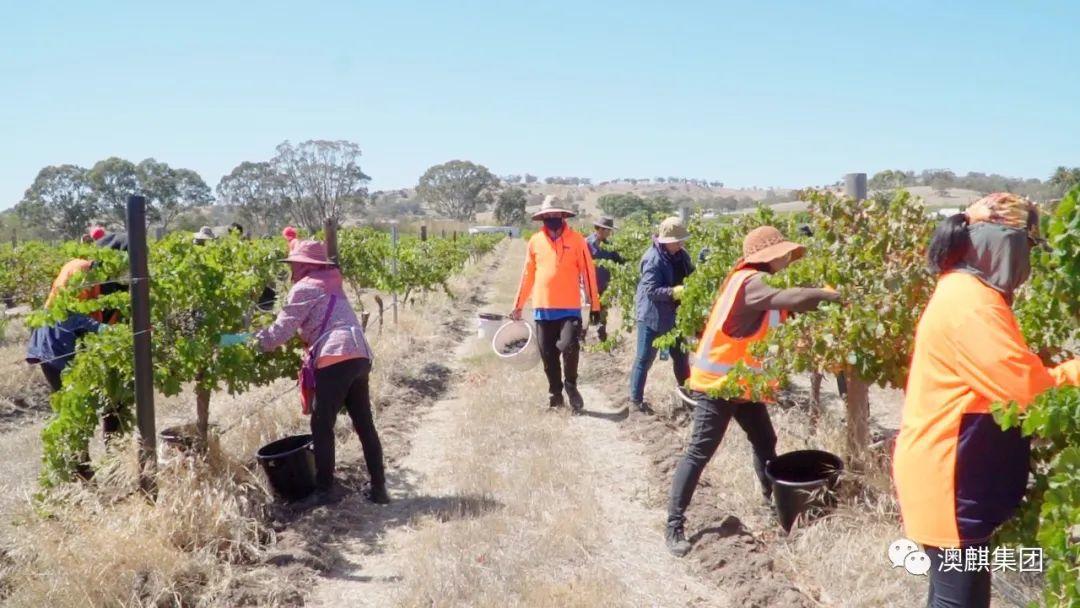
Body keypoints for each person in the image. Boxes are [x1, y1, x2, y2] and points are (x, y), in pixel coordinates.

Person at [893, 193, 1080, 608]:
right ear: (1004, 243)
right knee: (958, 599)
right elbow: (1031, 393)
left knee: (956, 597)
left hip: (952, 475)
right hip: (951, 480)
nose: (1027, 265)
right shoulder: (971, 304)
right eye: (1027, 248)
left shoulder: (966, 292)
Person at [665, 225, 840, 557]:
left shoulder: (764, 284)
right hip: (719, 388)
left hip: (743, 385)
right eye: (784, 254)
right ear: (769, 256)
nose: (789, 259)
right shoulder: (751, 283)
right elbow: (797, 299)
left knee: (765, 442)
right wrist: (835, 295)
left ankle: (772, 503)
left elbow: (788, 314)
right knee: (699, 453)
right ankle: (674, 524)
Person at [220, 240, 387, 507]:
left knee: (321, 426)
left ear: (307, 265)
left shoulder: (304, 288)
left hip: (335, 355)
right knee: (364, 423)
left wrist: (234, 341)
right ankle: (379, 490)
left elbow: (277, 335)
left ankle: (324, 492)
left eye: (295, 264)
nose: (292, 269)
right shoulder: (331, 282)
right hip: (359, 353)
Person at [510, 196, 601, 413]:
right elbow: (527, 275)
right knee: (548, 356)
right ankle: (555, 394)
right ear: (542, 218)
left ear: (562, 216)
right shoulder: (535, 241)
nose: (551, 219)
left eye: (555, 215)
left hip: (570, 307)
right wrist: (518, 304)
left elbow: (588, 273)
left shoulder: (577, 240)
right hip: (542, 309)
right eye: (547, 216)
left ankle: (571, 385)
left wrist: (594, 304)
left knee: (570, 346)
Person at [628, 217, 695, 415]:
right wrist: (674, 292)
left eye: (682, 240)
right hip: (652, 316)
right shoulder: (652, 259)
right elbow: (651, 291)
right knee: (644, 359)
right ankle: (635, 402)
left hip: (676, 316)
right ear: (666, 241)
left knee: (681, 359)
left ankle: (688, 401)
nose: (681, 243)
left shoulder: (682, 255)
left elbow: (691, 274)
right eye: (678, 240)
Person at [585, 216, 623, 342]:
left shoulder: (610, 247)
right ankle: (581, 337)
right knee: (585, 312)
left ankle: (602, 336)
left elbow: (620, 262)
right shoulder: (586, 244)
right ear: (600, 229)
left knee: (603, 312)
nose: (609, 233)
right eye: (608, 230)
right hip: (588, 287)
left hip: (603, 286)